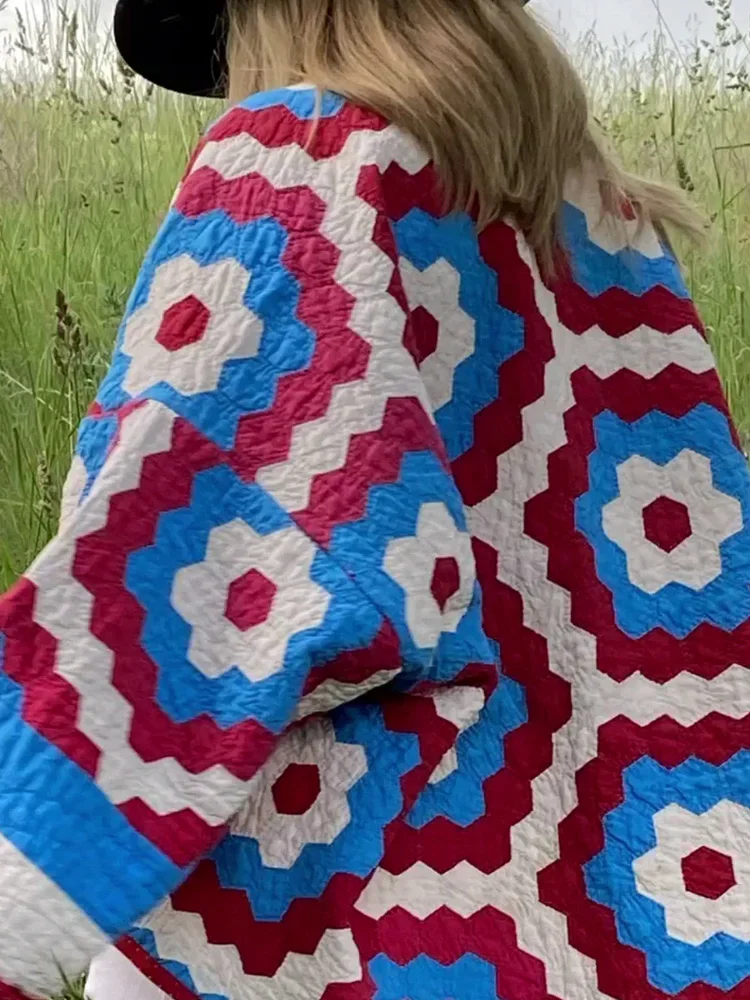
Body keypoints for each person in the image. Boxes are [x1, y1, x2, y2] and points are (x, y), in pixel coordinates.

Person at [0, 0, 747, 997]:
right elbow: (696, 612)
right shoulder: (612, 226)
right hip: (614, 916)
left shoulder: (304, 158)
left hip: (317, 922)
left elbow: (166, 598)